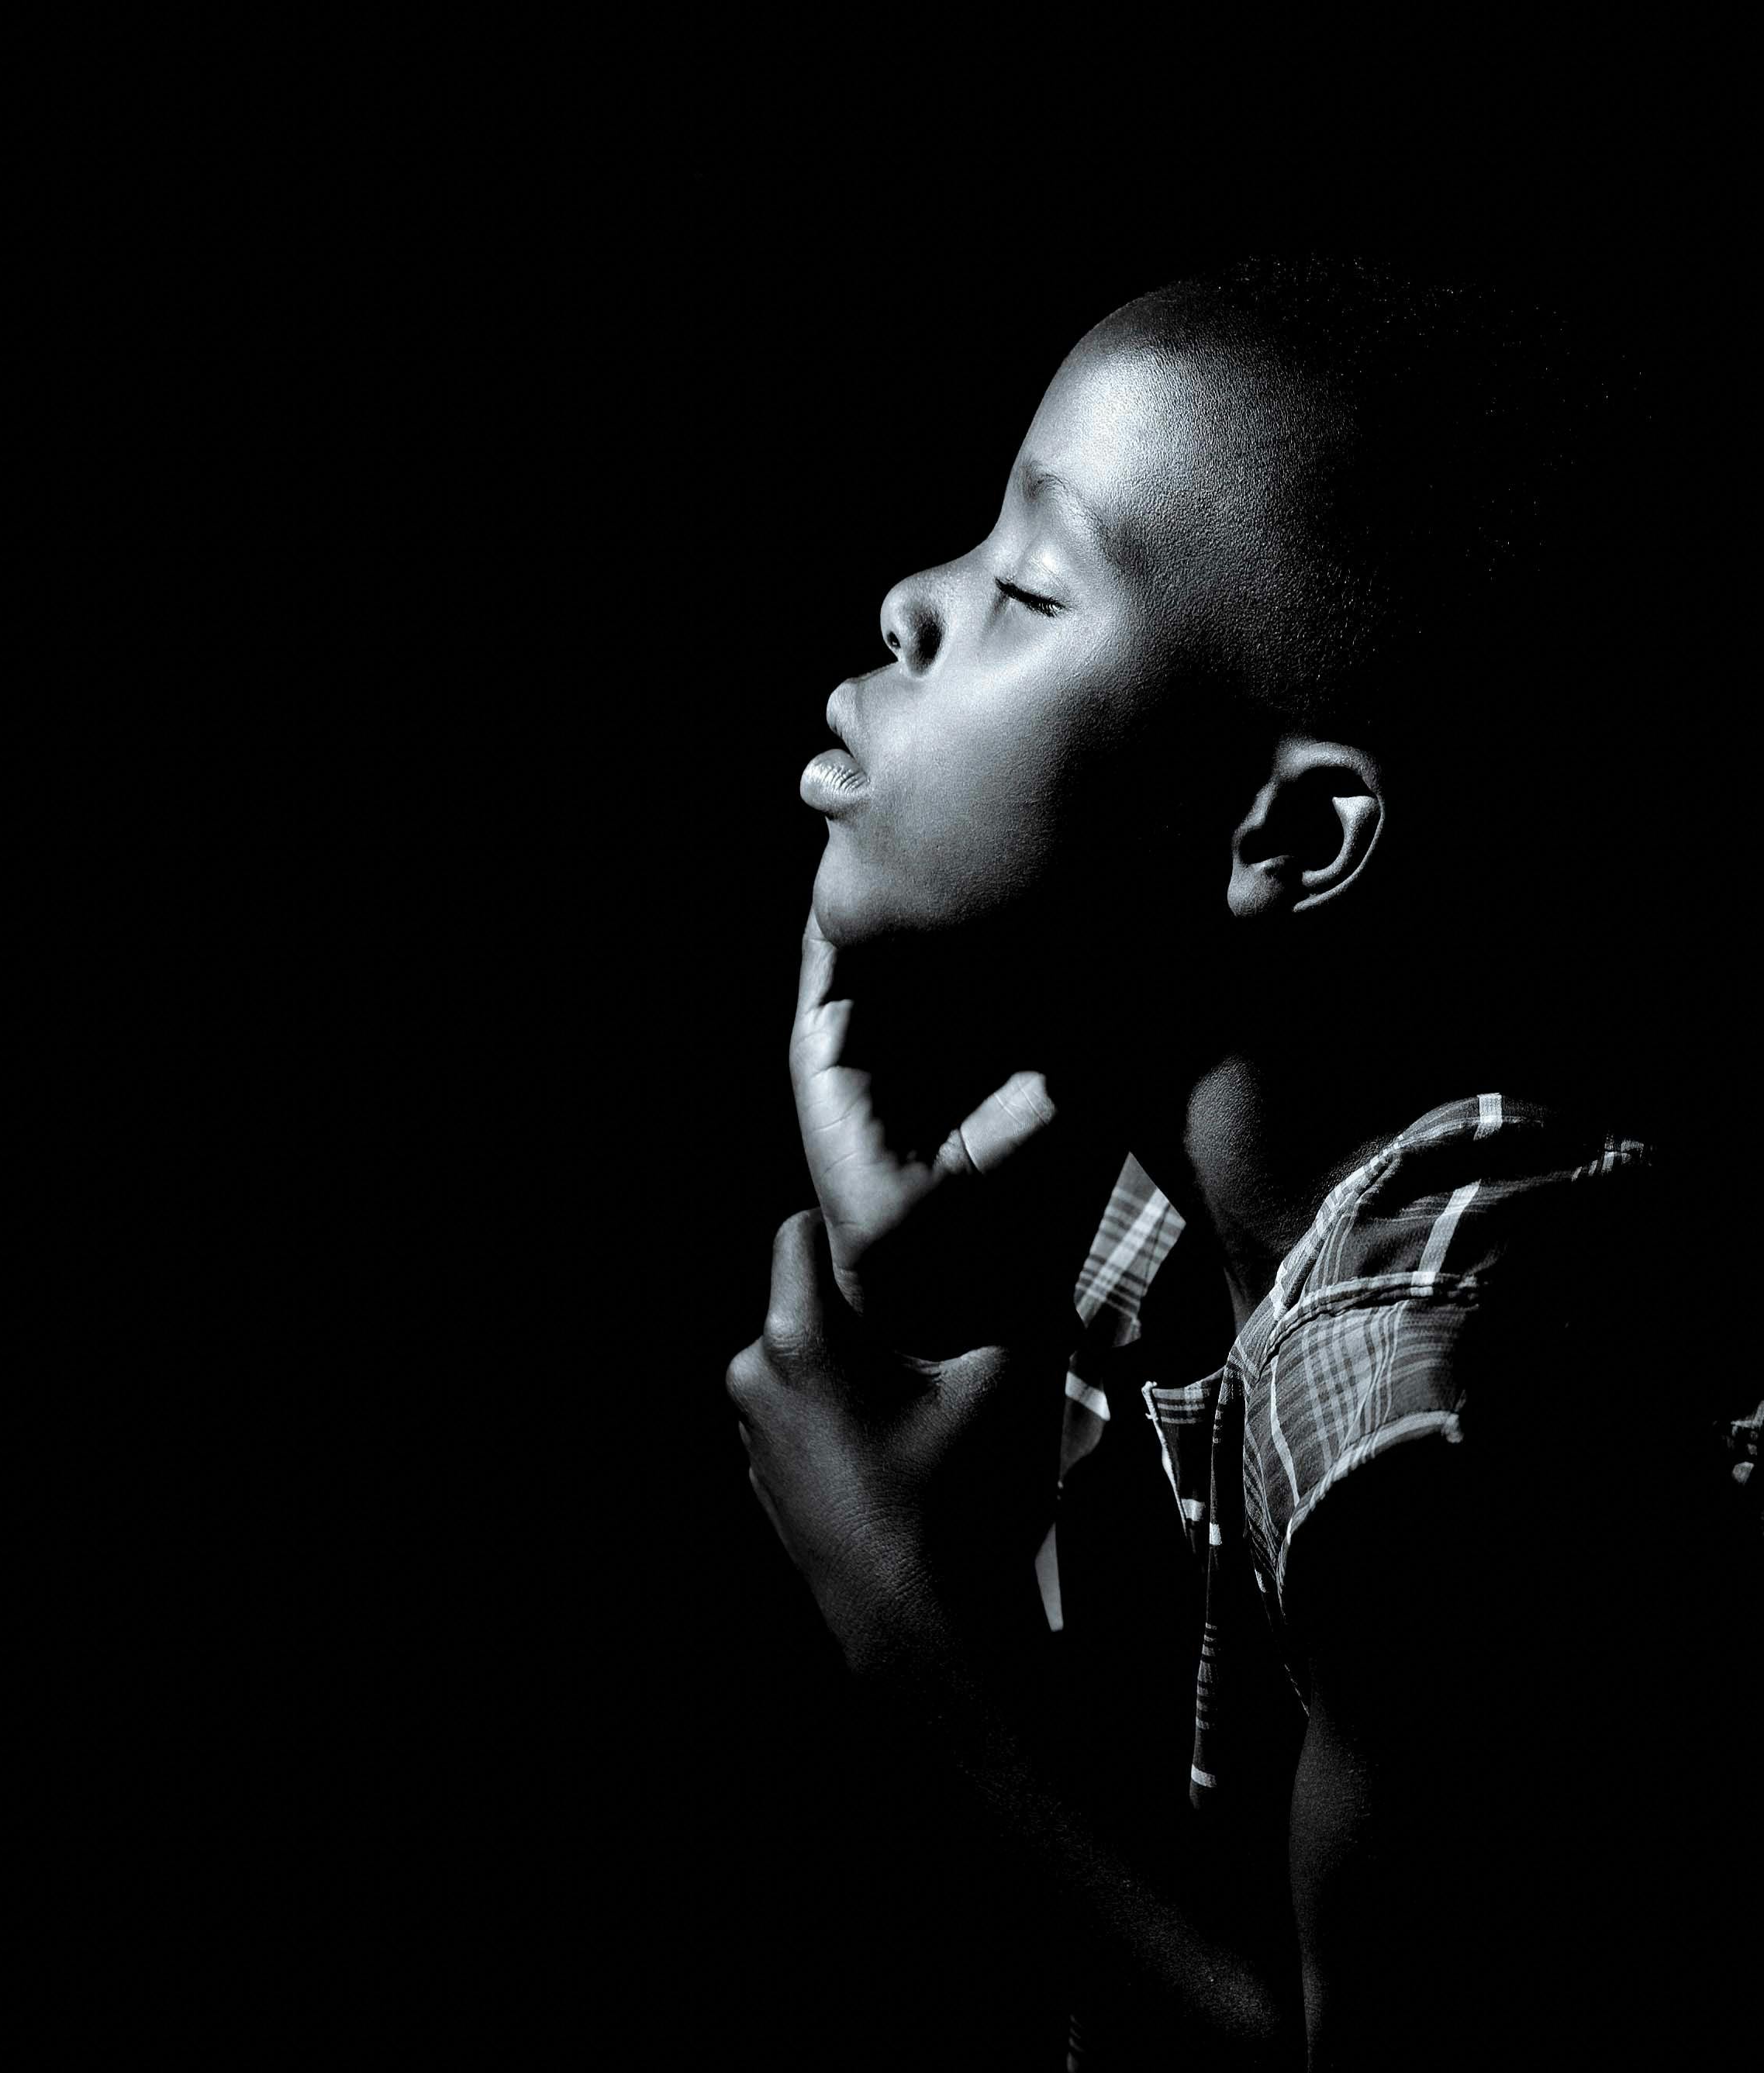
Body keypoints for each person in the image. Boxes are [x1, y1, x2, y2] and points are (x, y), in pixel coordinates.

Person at [727, 254, 1760, 2067]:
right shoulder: (1209, 1150)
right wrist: (944, 1274)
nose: (909, 605)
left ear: (1289, 833)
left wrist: (926, 1646)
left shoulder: (1420, 1421)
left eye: (1029, 584)